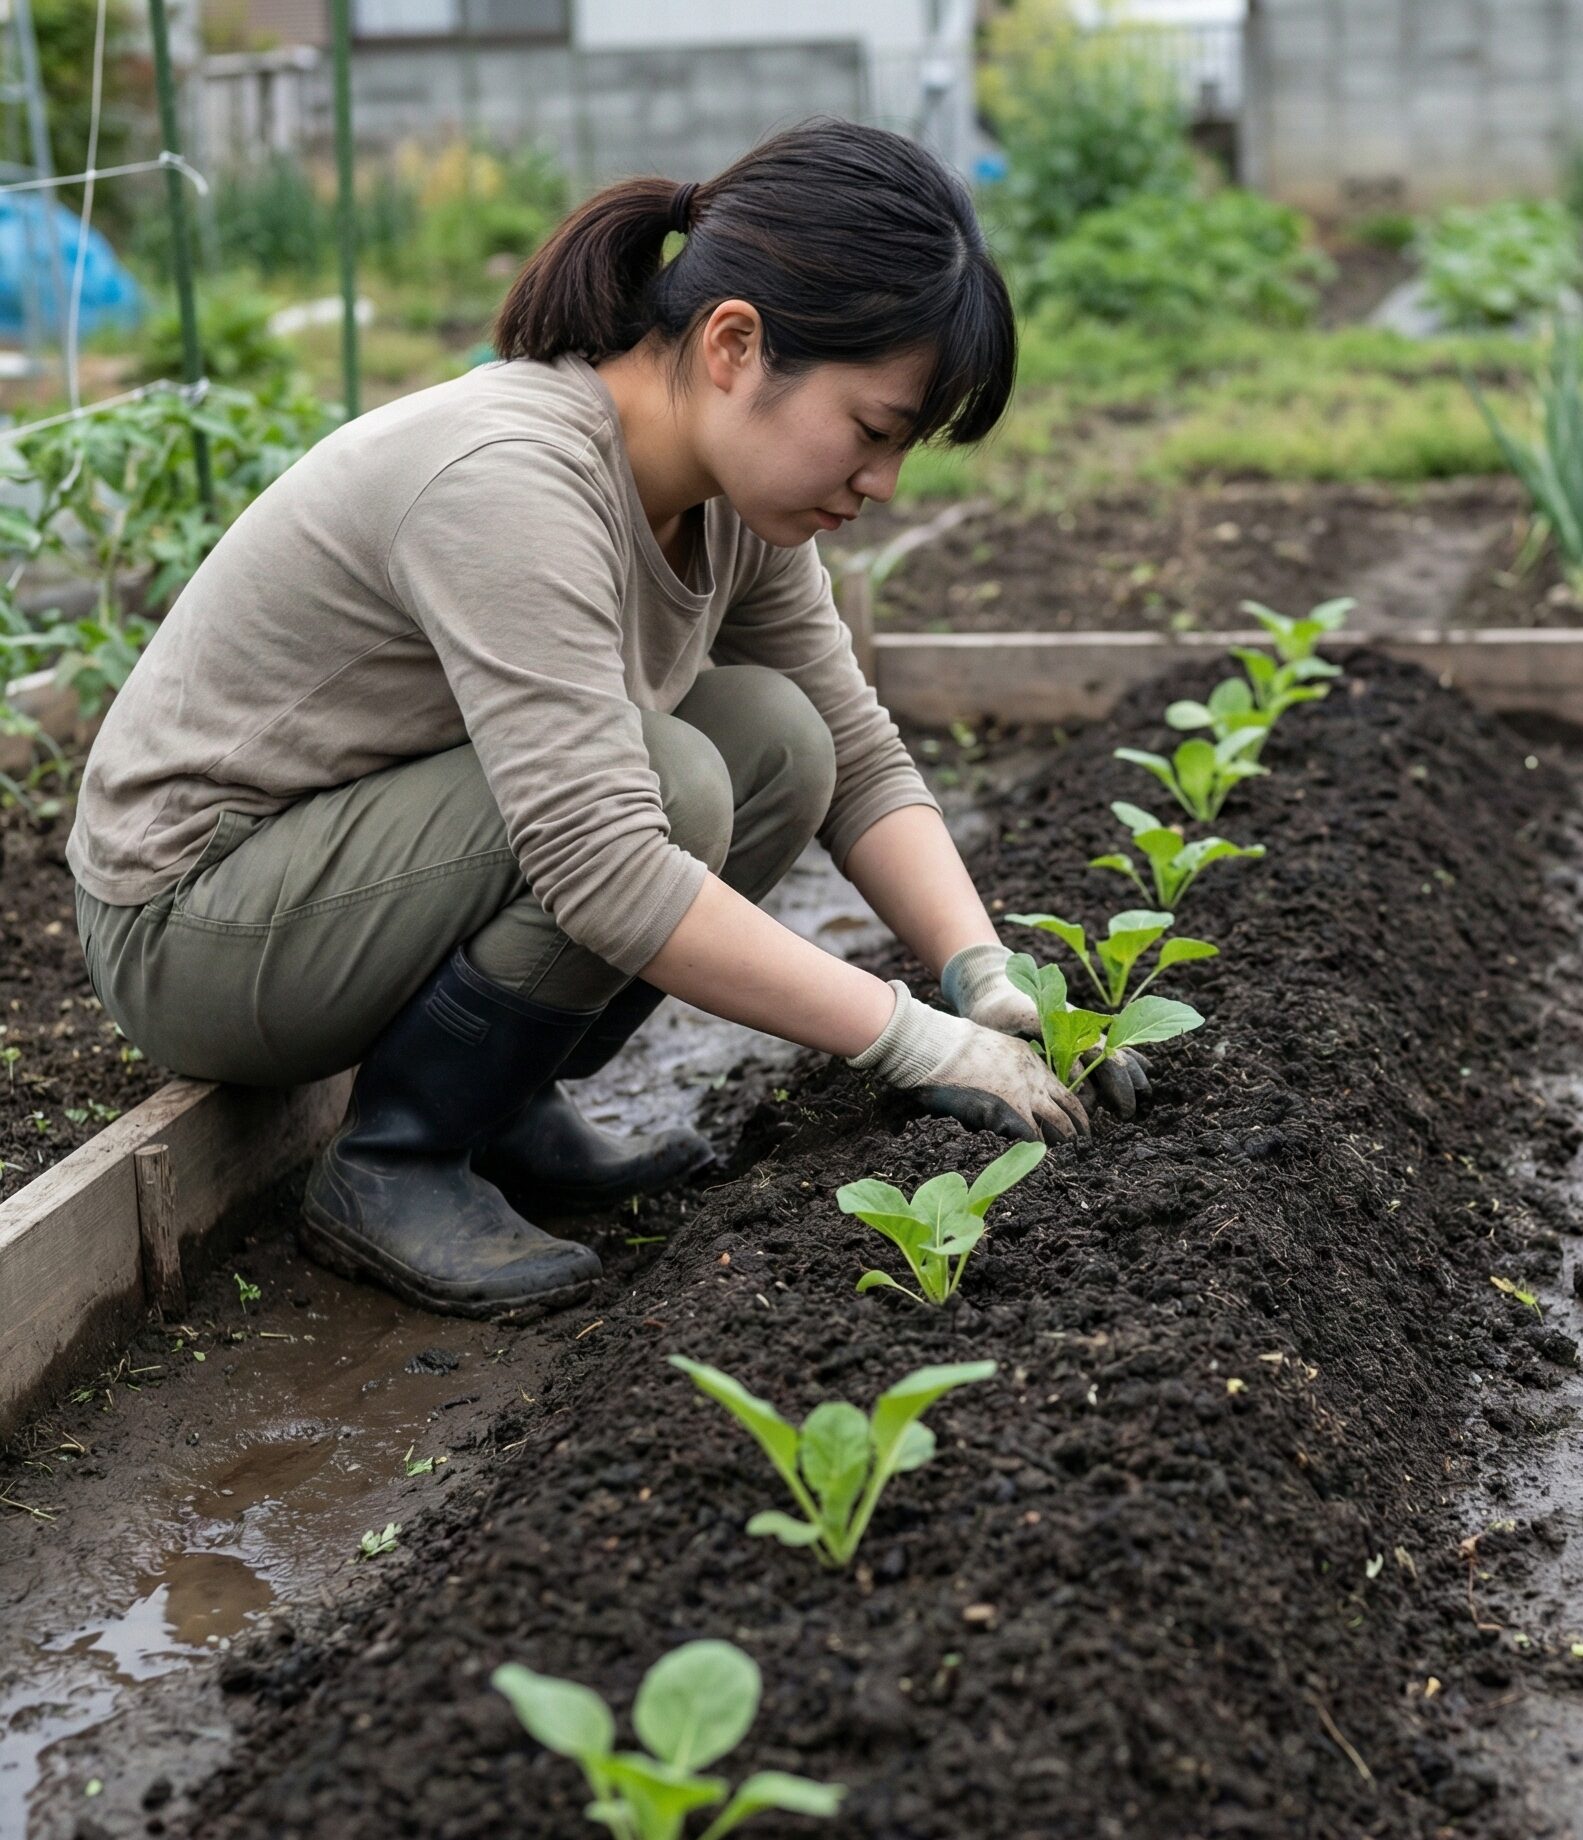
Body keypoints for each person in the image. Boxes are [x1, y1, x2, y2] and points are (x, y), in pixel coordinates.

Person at [66, 118, 1146, 1322]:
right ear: (734, 344)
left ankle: (500, 1105)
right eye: (873, 430)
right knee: (667, 783)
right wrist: (909, 1038)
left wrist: (983, 977)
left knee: (779, 739)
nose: (882, 483)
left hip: (343, 875)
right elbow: (599, 860)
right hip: (194, 922)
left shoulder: (730, 500)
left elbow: (854, 755)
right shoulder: (510, 479)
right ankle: (394, 1160)